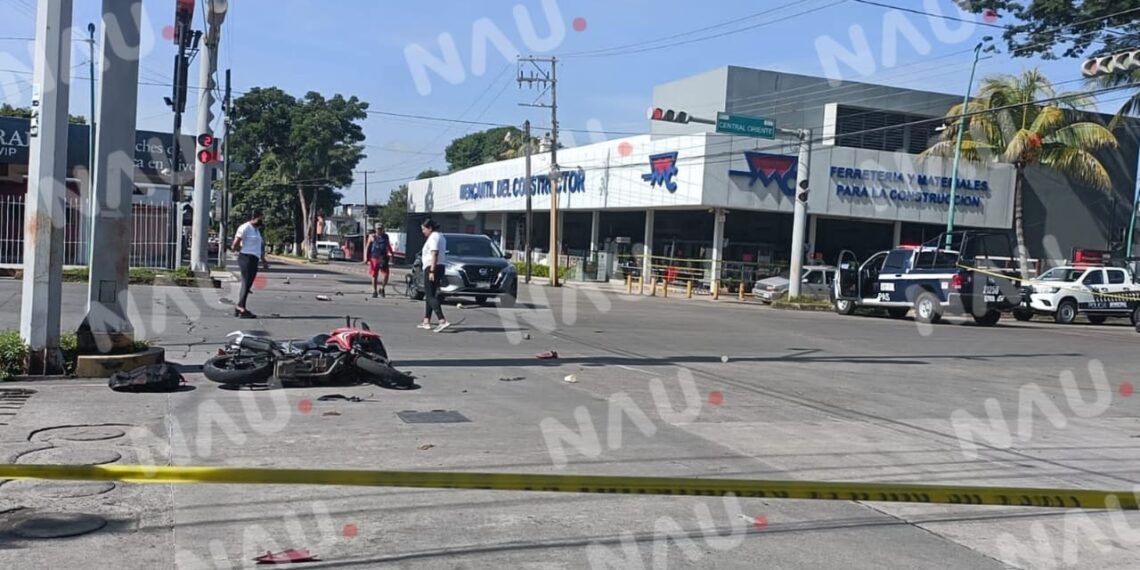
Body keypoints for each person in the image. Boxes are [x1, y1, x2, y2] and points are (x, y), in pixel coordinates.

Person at [231, 209, 266, 319]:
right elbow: (235, 244)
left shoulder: (256, 230)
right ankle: (241, 308)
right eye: (260, 218)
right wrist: (241, 250)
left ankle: (239, 307)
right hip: (246, 258)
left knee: (248, 285)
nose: (262, 220)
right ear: (253, 217)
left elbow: (258, 246)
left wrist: (263, 260)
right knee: (246, 283)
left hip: (254, 259)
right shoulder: (245, 227)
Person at [419, 218, 450, 332]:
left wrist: (432, 271)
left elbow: (434, 253)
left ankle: (442, 320)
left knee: (430, 295)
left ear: (430, 228)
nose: (423, 232)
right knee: (430, 294)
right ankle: (426, 320)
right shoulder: (441, 236)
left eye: (424, 229)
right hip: (439, 266)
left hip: (432, 267)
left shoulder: (433, 237)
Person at [362, 223, 394, 298]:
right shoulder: (372, 236)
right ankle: (374, 291)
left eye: (381, 228)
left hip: (383, 257)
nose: (379, 230)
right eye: (378, 229)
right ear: (375, 229)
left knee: (386, 275)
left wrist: (392, 253)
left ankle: (382, 288)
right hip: (374, 257)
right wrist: (366, 257)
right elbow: (367, 247)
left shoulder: (385, 236)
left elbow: (388, 245)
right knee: (374, 275)